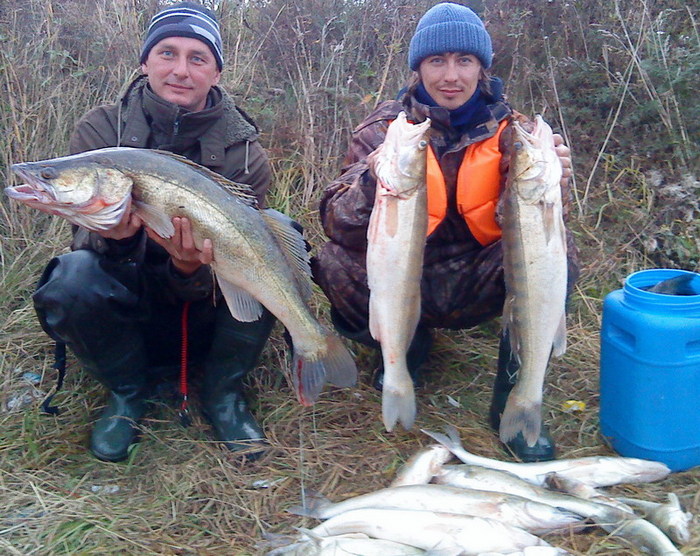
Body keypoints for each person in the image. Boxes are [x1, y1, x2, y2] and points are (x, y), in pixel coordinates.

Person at [311, 2, 579, 462]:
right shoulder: (386, 131)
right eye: (437, 61)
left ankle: (515, 402)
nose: (450, 75)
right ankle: (404, 351)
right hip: (406, 276)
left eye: (464, 61)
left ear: (482, 68)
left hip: (476, 278)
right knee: (331, 261)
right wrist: (372, 181)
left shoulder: (516, 132)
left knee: (563, 256)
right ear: (419, 69)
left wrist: (557, 186)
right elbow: (336, 221)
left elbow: (537, 234)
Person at [32, 2, 275, 462]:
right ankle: (127, 393)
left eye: (197, 58)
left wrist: (189, 269)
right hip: (129, 297)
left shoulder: (246, 152)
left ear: (216, 72)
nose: (181, 70)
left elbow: (242, 256)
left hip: (210, 305)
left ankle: (223, 393)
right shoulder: (101, 130)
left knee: (276, 233)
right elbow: (84, 240)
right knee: (71, 278)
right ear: (145, 62)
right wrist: (118, 239)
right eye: (167, 53)